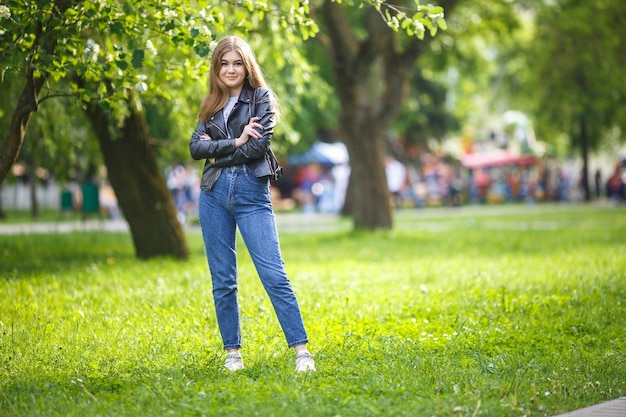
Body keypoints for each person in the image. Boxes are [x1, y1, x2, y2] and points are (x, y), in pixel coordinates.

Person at [189, 36, 315, 372]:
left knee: (273, 274)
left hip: (250, 192)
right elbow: (194, 149)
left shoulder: (261, 98)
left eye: (237, 63)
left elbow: (257, 149)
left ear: (247, 66)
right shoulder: (210, 104)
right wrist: (235, 140)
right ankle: (233, 354)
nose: (230, 70)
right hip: (212, 195)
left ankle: (302, 351)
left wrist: (217, 154)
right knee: (223, 279)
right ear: (216, 68)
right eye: (224, 63)